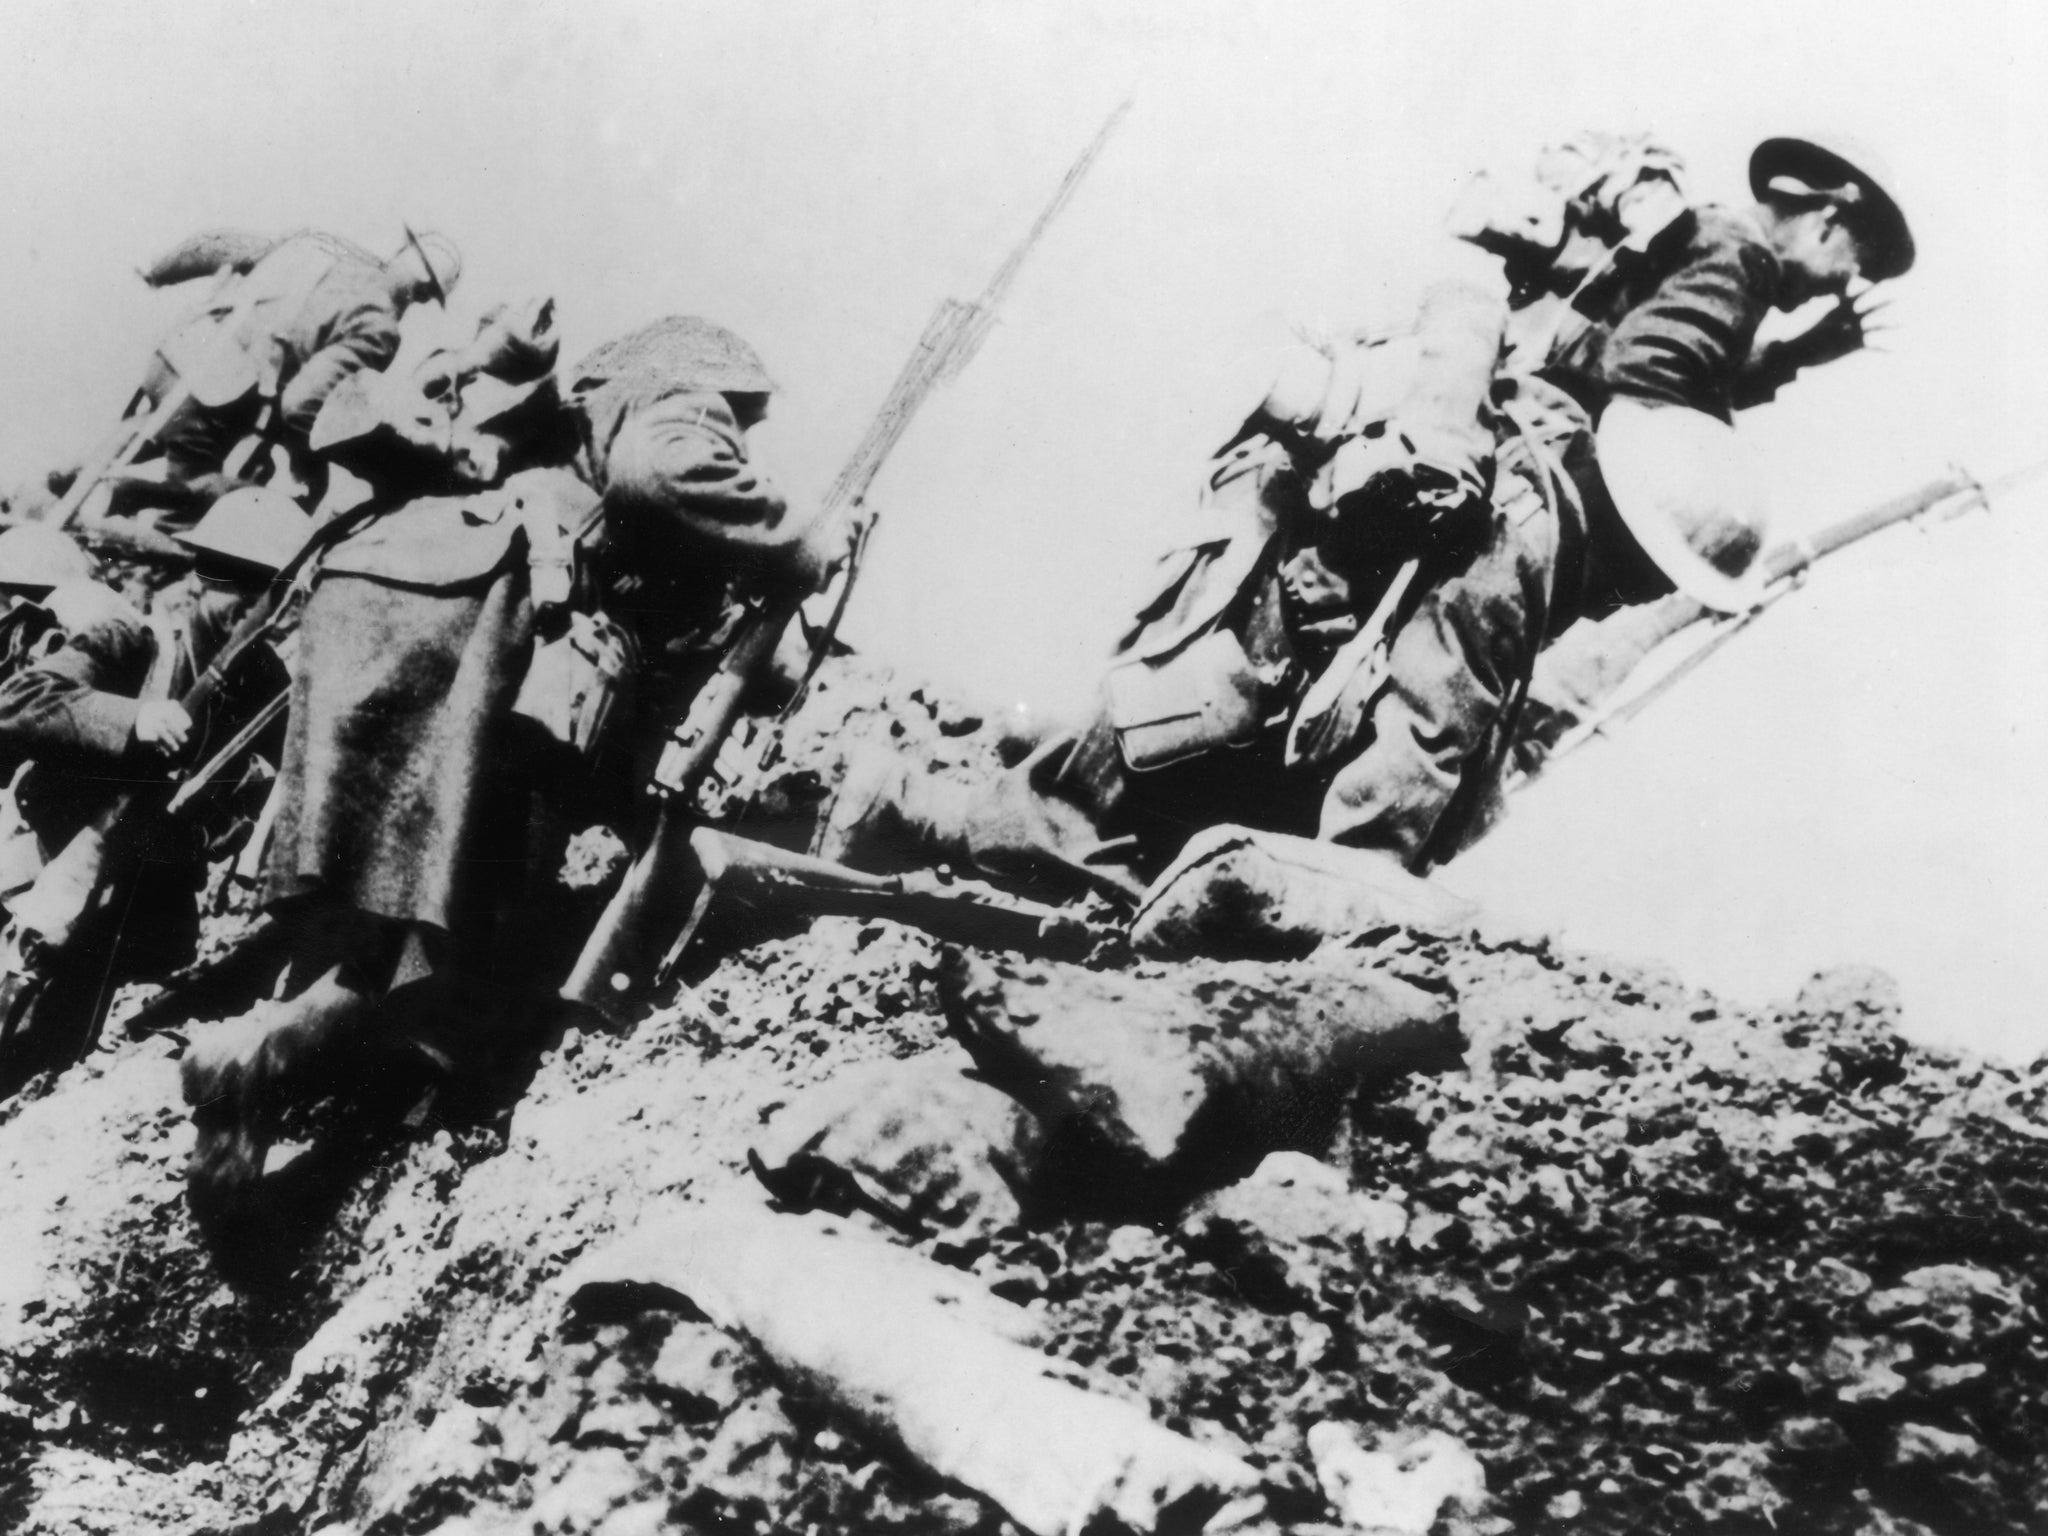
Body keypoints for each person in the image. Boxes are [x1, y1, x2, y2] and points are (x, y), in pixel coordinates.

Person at [818, 133, 1912, 893]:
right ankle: (929, 811)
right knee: (1181, 751)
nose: (1834, 282)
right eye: (1847, 260)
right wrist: (1367, 881)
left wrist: (1779, 362)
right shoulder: (1739, 257)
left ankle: (915, 807)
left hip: (1408, 482)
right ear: (1827, 215)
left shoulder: (1688, 246)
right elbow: (1645, 381)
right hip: (1497, 481)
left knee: (1188, 735)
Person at [177, 310, 854, 1221]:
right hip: (489, 630)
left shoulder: (575, 433)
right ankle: (264, 1059)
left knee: (410, 913)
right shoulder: (684, 403)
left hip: (406, 605)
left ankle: (293, 1064)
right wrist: (801, 538)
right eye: (745, 417)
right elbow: (664, 474)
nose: (741, 433)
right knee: (471, 926)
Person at [55, 227, 461, 533]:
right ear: (425, 294)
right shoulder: (380, 327)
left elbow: (216, 244)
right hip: (213, 397)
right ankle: (128, 550)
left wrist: (158, 272)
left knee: (148, 431)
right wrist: (307, 466)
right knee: (201, 506)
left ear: (400, 252)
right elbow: (303, 406)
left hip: (177, 353)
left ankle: (74, 478)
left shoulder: (317, 250)